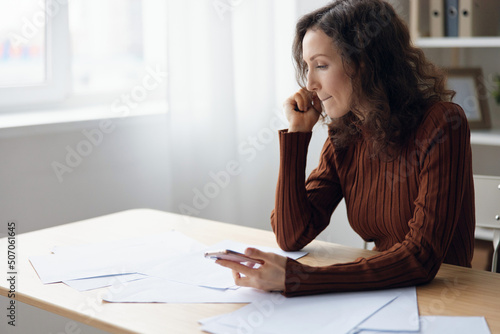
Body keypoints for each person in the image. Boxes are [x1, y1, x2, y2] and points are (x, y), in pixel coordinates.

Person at [216, 0, 475, 297]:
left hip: (447, 298)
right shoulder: (346, 132)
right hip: (385, 292)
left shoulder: (442, 122)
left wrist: (300, 278)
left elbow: (421, 259)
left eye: (321, 65)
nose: (310, 83)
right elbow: (291, 235)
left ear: (363, 63)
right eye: (307, 67)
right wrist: (297, 135)